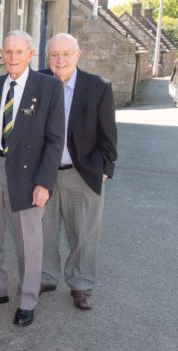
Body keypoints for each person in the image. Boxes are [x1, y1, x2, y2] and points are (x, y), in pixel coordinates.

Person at [0, 30, 65, 327]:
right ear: (1, 53)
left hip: (28, 173)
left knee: (28, 240)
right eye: (8, 52)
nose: (13, 58)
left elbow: (55, 140)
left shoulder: (48, 87)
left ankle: (27, 299)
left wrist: (44, 182)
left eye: (19, 52)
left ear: (30, 54)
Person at [39, 33, 117, 310]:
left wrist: (105, 168)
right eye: (54, 55)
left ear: (78, 55)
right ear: (47, 57)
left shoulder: (98, 87)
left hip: (82, 173)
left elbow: (109, 133)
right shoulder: (38, 82)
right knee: (43, 230)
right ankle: (46, 277)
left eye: (65, 54)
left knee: (83, 233)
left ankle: (81, 284)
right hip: (44, 174)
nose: (59, 60)